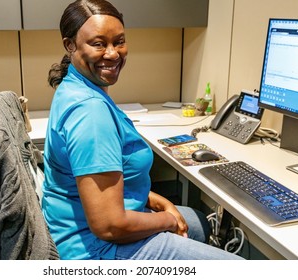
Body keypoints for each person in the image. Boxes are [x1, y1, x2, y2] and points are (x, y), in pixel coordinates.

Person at [42, 0, 243, 260]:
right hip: (97, 250)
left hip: (75, 226)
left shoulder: (75, 86)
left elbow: (95, 180)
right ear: (70, 45)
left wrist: (151, 199)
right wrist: (167, 221)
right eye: (99, 43)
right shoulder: (90, 113)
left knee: (199, 222)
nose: (113, 53)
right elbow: (109, 225)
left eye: (119, 41)